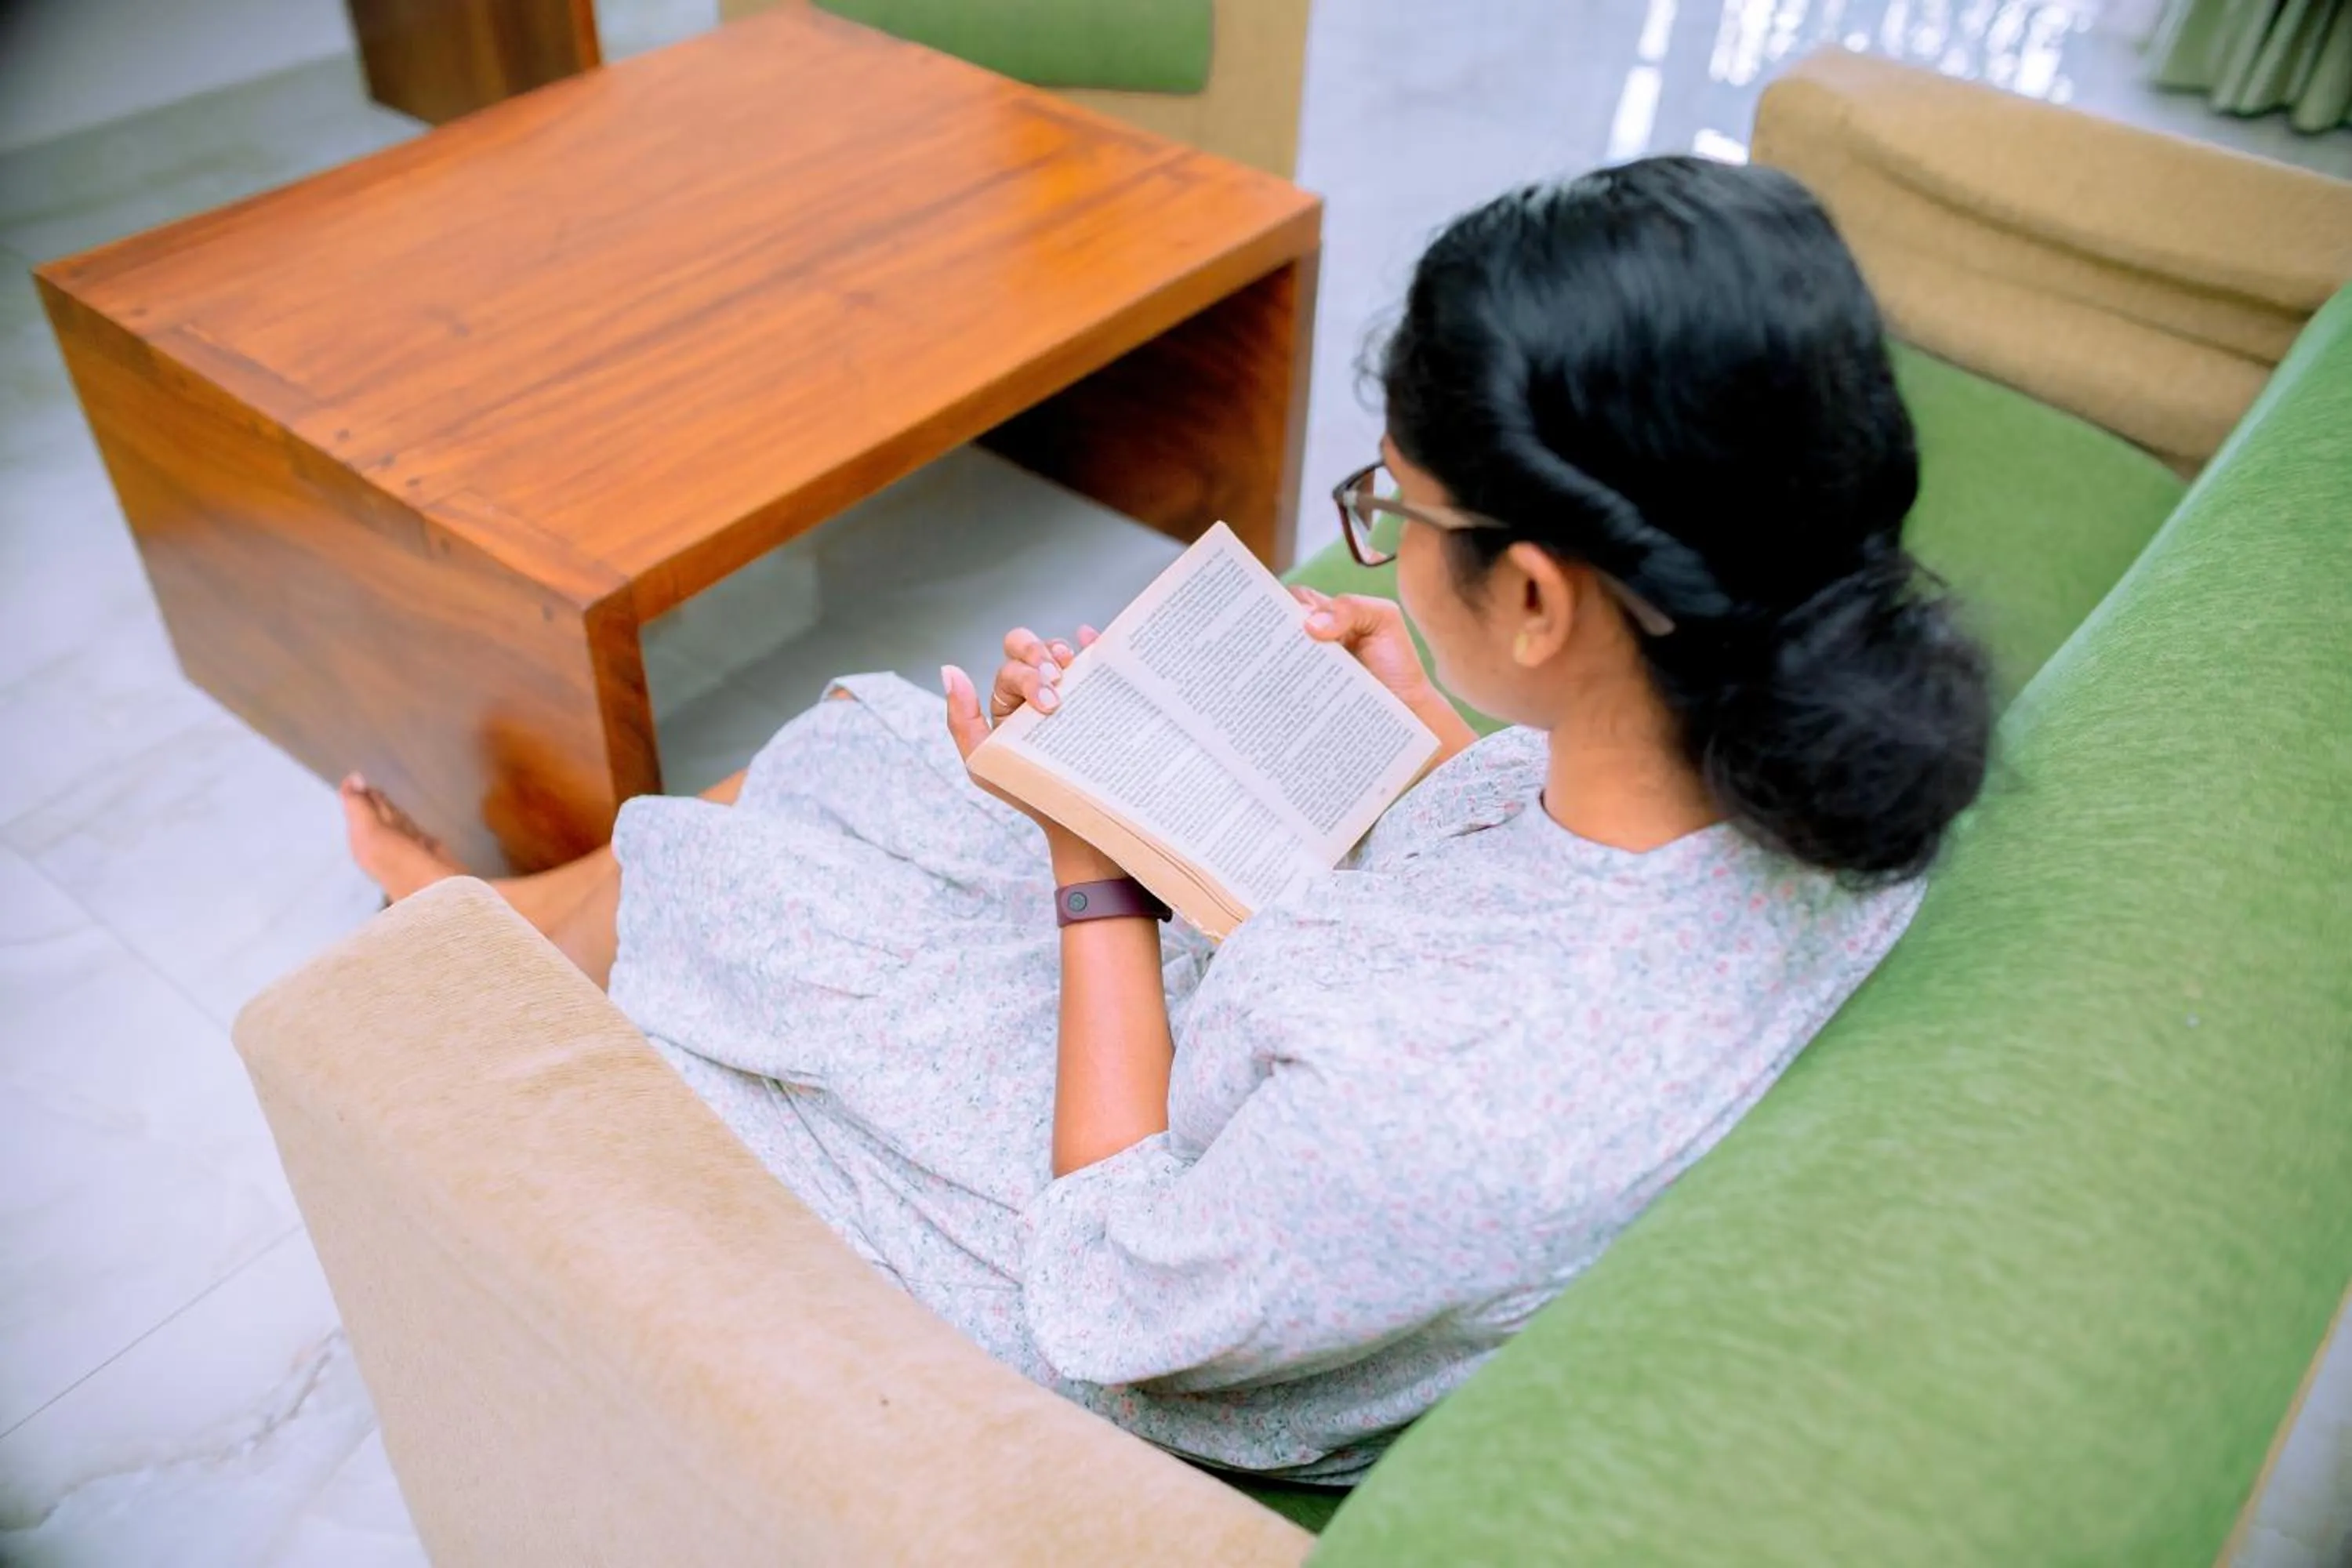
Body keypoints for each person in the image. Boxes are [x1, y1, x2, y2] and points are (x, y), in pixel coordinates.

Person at [342, 156, 1991, 1483]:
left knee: (739, 879)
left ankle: (472, 941)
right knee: (868, 750)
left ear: (1546, 599)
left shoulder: (1456, 1108)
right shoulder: (1815, 746)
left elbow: (1117, 1282)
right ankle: (518, 909)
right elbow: (1553, 890)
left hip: (1146, 1238)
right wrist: (1426, 717)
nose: (1381, 541)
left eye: (1396, 509)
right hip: (1305, 1047)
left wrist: (1095, 878)